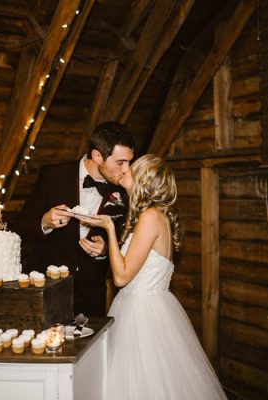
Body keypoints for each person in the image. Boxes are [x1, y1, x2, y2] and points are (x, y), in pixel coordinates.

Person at [77, 154, 227, 400]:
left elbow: (121, 277)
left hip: (141, 313)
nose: (126, 170)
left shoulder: (150, 217)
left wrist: (110, 230)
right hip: (147, 306)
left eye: (133, 168)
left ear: (145, 181)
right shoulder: (154, 215)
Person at [14, 121, 136, 317]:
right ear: (97, 155)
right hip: (46, 286)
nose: (126, 169)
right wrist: (45, 222)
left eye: (129, 162)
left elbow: (128, 239)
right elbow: (20, 228)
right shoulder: (53, 176)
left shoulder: (124, 189)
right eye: (120, 162)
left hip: (91, 294)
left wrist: (105, 249)